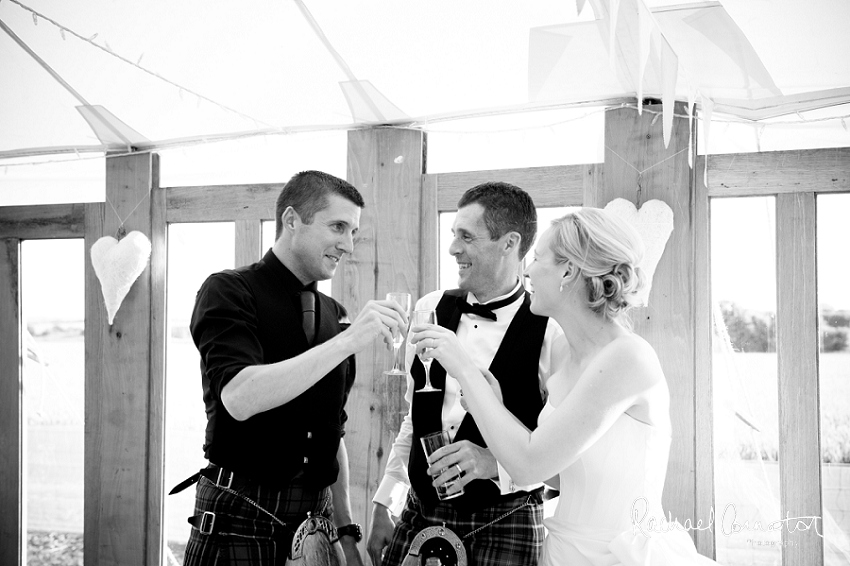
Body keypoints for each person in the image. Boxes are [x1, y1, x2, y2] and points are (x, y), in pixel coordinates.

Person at [412, 207, 719, 565]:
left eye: (538, 258)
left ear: (569, 271)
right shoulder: (567, 357)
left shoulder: (628, 358)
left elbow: (529, 464)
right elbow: (556, 474)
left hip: (614, 554)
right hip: (562, 551)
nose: (526, 269)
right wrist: (492, 404)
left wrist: (462, 364)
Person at [178, 170, 408, 566]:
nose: (348, 245)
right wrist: (348, 342)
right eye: (338, 227)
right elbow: (239, 397)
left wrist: (347, 534)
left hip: (318, 526)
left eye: (353, 231)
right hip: (239, 515)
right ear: (291, 220)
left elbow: (331, 434)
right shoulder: (228, 290)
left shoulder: (336, 315)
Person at [367, 182, 564, 566]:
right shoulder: (429, 308)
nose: (453, 248)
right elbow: (414, 418)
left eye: (466, 237)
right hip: (419, 515)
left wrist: (495, 464)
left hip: (506, 522)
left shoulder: (553, 331)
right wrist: (386, 499)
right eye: (453, 234)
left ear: (509, 243)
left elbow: (563, 461)